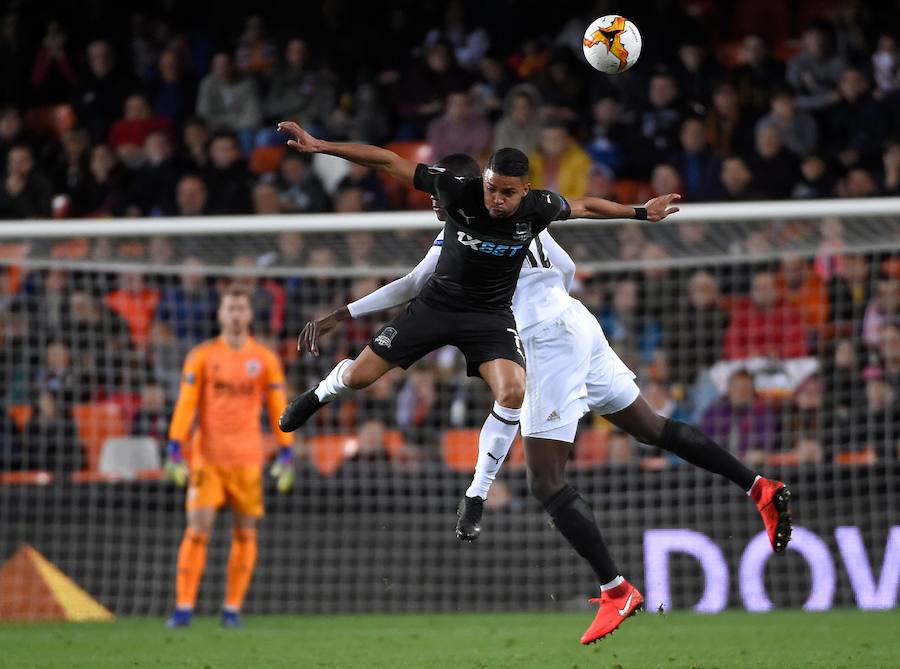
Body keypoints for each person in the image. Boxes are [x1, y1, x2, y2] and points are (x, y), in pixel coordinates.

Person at [287, 150, 791, 645]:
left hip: (546, 339)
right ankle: (758, 486)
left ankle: (615, 589)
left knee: (546, 480)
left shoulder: (462, 226)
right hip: (577, 320)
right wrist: (639, 213)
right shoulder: (536, 217)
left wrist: (343, 313)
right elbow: (571, 254)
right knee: (652, 427)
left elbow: (417, 278)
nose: (438, 206)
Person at [163, 285, 294, 629]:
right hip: (207, 458)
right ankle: (183, 608)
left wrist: (287, 449)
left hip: (249, 460)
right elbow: (187, 403)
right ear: (220, 314)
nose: (236, 315)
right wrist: (175, 444)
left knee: (246, 535)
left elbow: (278, 408)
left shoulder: (265, 360)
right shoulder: (202, 356)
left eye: (241, 309)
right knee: (197, 531)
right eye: (230, 309)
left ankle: (232, 609)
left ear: (249, 315)